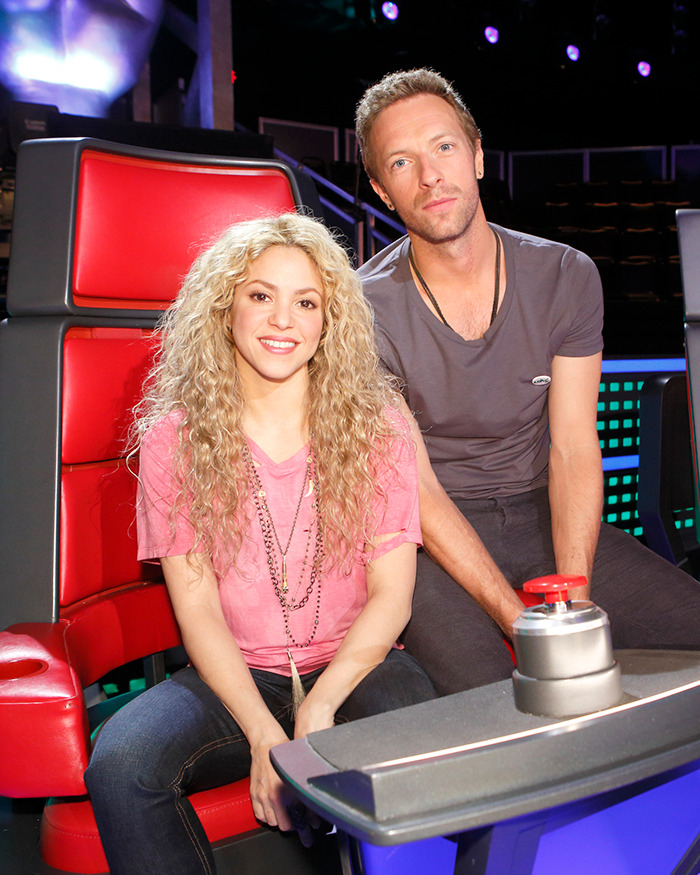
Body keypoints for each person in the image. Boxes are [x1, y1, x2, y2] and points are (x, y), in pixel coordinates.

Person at [84, 212, 436, 875]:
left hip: (356, 663)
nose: (283, 319)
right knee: (122, 761)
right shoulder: (175, 438)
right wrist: (262, 730)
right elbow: (198, 609)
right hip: (238, 674)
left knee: (409, 731)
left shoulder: (381, 424)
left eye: (306, 301)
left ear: (328, 321)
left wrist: (322, 704)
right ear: (225, 308)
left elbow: (393, 595)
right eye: (260, 295)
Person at [354, 67, 700, 696]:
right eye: (402, 163)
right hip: (432, 542)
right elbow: (417, 490)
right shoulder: (360, 310)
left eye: (444, 147)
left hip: (545, 515)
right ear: (382, 189)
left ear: (479, 156)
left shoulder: (566, 275)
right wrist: (519, 621)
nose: (431, 176)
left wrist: (576, 599)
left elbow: (572, 444)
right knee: (494, 694)